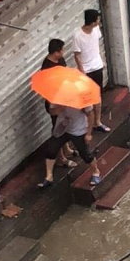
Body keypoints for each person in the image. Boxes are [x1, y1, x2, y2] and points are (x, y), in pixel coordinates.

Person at [40, 104, 102, 188]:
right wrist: (60, 108)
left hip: (78, 129)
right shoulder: (56, 99)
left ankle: (96, 171)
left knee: (85, 154)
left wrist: (88, 133)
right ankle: (49, 176)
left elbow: (90, 114)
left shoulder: (81, 98)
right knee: (51, 149)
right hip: (62, 128)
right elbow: (52, 112)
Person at [41, 39, 77, 169]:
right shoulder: (47, 67)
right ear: (56, 52)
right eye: (62, 50)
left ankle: (66, 149)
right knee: (58, 130)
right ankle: (61, 158)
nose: (63, 52)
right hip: (55, 102)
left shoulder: (60, 61)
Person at [73, 9, 110, 133]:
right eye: (98, 19)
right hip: (86, 70)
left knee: (98, 96)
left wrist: (101, 60)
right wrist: (82, 71)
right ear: (93, 21)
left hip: (97, 67)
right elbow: (76, 55)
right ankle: (87, 124)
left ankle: (97, 122)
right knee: (86, 98)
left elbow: (96, 45)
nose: (99, 22)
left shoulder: (96, 30)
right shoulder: (77, 35)